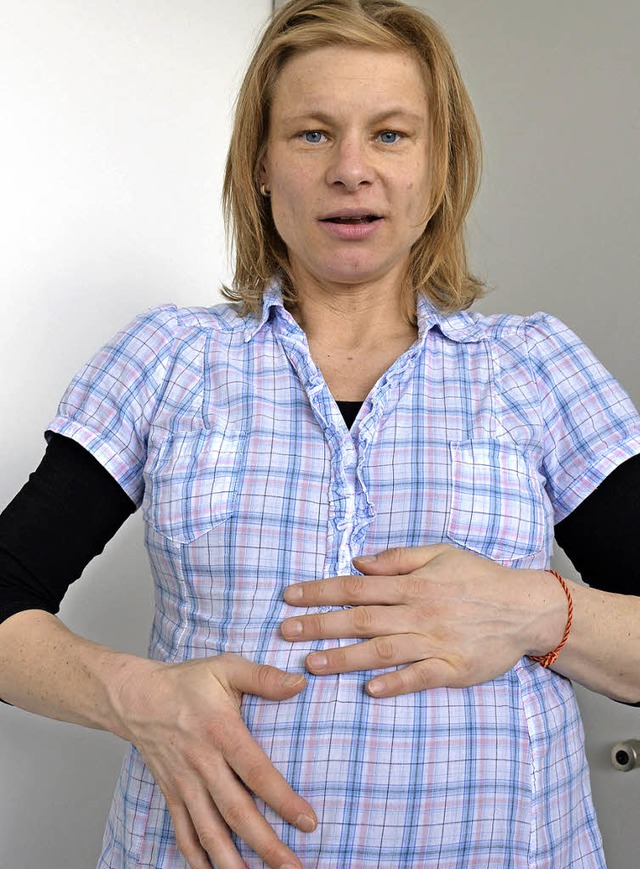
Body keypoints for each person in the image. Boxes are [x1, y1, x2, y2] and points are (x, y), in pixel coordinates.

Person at [1, 0, 639, 866]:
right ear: (260, 165)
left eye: (390, 134)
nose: (351, 169)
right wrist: (134, 694)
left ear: (438, 166)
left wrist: (538, 609)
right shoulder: (166, 359)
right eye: (311, 134)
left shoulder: (536, 369)